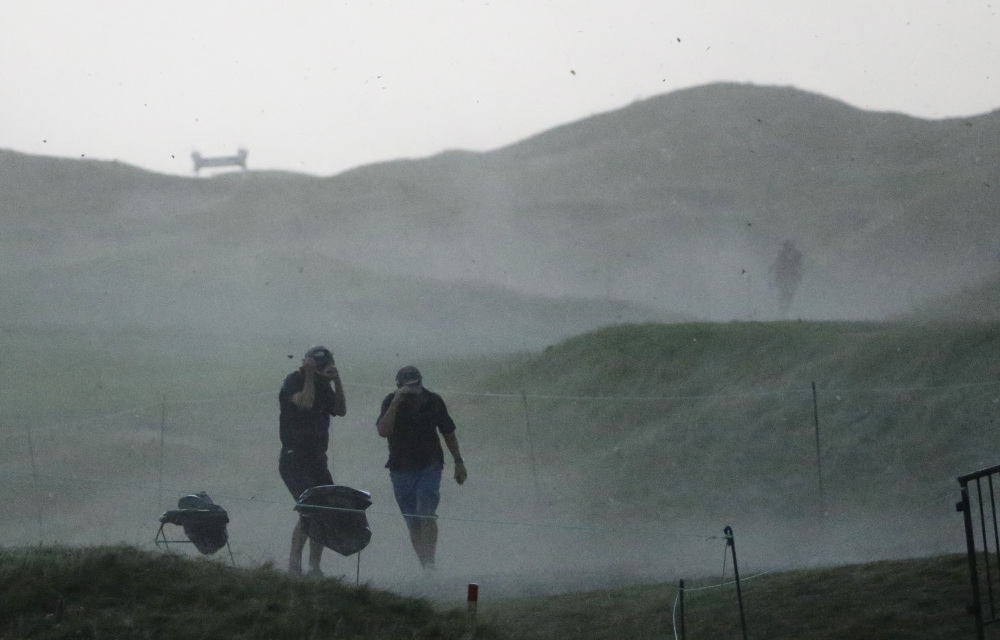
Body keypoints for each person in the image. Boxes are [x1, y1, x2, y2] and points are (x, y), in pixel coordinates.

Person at [376, 365, 467, 570]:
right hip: (400, 467)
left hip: (430, 464)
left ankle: (431, 563)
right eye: (407, 387)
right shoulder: (390, 401)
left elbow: (448, 431)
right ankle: (424, 564)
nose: (413, 391)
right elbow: (383, 430)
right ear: (399, 386)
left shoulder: (433, 401)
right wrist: (397, 401)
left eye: (416, 385)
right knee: (412, 520)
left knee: (426, 511)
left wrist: (458, 461)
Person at [278, 345, 346, 576]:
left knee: (324, 510)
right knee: (308, 509)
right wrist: (308, 375)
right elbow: (305, 403)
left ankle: (314, 566)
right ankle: (294, 564)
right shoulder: (294, 380)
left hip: (318, 458)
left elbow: (341, 409)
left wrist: (337, 382)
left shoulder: (325, 386)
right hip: (294, 458)